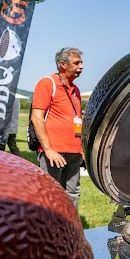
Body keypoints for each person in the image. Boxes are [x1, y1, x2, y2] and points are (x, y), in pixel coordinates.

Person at [31, 47, 84, 209]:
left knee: (73, 193)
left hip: (74, 153)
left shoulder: (76, 90)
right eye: (77, 63)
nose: (81, 67)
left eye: (81, 63)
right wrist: (48, 149)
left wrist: (81, 149)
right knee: (51, 194)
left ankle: (70, 231)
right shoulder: (47, 83)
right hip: (54, 152)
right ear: (63, 64)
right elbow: (36, 117)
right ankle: (49, 232)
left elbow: (78, 120)